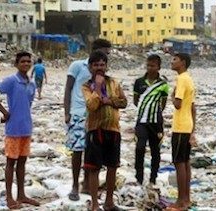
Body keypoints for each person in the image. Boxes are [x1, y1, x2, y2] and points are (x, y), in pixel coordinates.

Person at [0, 52, 40, 209]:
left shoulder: (31, 84)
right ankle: (10, 197)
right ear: (17, 64)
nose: (26, 64)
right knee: (11, 162)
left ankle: (22, 194)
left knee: (23, 162)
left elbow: (27, 104)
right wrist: (5, 112)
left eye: (28, 61)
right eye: (22, 61)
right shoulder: (11, 81)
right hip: (13, 129)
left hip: (26, 127)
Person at [63, 38, 112, 201]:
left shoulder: (103, 73)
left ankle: (86, 183)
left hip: (95, 117)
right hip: (78, 114)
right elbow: (68, 88)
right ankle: (75, 185)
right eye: (104, 53)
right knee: (77, 151)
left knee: (92, 153)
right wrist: (67, 112)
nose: (105, 58)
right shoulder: (77, 66)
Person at [82, 50, 127, 211]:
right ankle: (94, 204)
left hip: (113, 130)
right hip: (96, 130)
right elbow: (92, 105)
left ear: (106, 66)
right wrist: (98, 87)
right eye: (96, 65)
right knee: (94, 168)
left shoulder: (114, 83)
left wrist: (109, 101)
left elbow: (124, 102)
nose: (99, 68)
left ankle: (109, 202)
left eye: (102, 64)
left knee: (112, 166)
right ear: (90, 67)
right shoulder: (87, 86)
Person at [133, 55, 170, 185]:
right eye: (148, 65)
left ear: (159, 67)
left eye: (153, 65)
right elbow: (136, 100)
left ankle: (153, 178)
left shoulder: (163, 84)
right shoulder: (139, 82)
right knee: (140, 148)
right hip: (141, 122)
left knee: (155, 151)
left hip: (156, 123)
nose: (150, 68)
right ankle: (139, 177)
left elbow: (163, 104)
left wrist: (154, 111)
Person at [167, 53, 197, 211]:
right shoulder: (189, 78)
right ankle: (187, 199)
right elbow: (193, 107)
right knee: (185, 163)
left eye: (175, 60)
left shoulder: (181, 79)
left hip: (180, 126)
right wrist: (193, 130)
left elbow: (178, 104)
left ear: (183, 63)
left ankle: (180, 201)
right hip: (187, 125)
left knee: (179, 163)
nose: (172, 62)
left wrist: (172, 97)